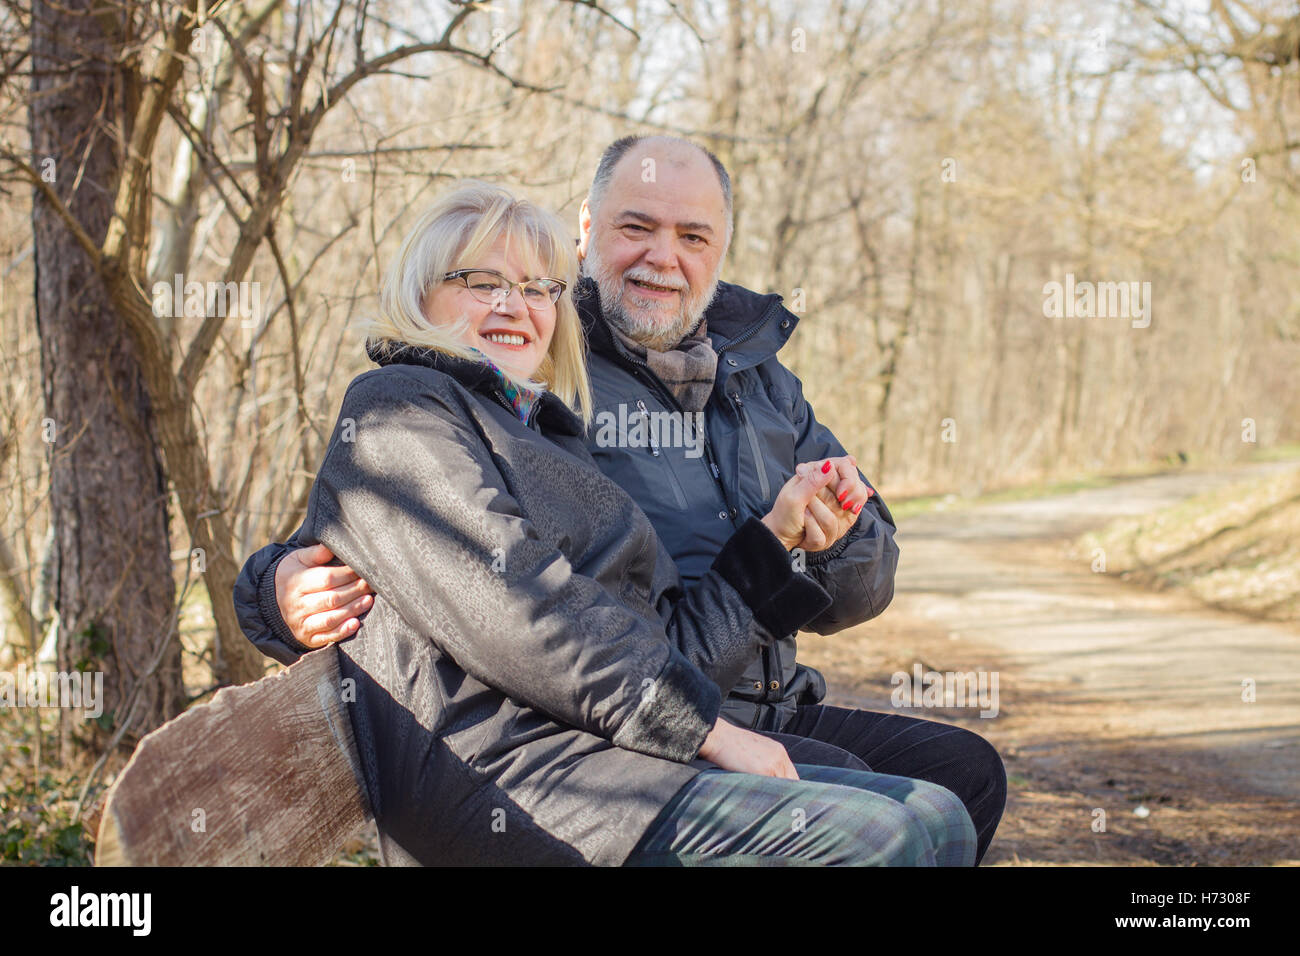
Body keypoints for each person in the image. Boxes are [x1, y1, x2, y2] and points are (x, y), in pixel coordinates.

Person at [238, 136, 1006, 863]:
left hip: (670, 707)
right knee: (879, 829)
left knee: (946, 792)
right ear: (587, 233)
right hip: (564, 749)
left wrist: (816, 542)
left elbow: (853, 579)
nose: (662, 258)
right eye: (483, 284)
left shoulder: (739, 384)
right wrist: (272, 590)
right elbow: (477, 576)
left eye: (693, 236)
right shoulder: (477, 395)